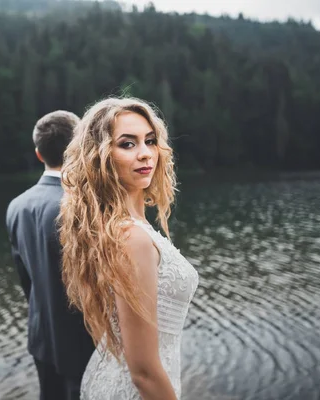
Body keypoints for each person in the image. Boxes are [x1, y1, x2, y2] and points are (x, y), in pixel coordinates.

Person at [58, 97, 200, 399]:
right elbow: (144, 372)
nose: (145, 154)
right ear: (101, 156)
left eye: (150, 141)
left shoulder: (122, 227)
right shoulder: (131, 238)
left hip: (114, 377)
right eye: (127, 144)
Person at [5, 110, 95, 400]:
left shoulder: (17, 206)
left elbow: (26, 280)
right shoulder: (82, 208)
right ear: (78, 148)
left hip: (41, 336)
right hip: (83, 343)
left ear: (38, 154)